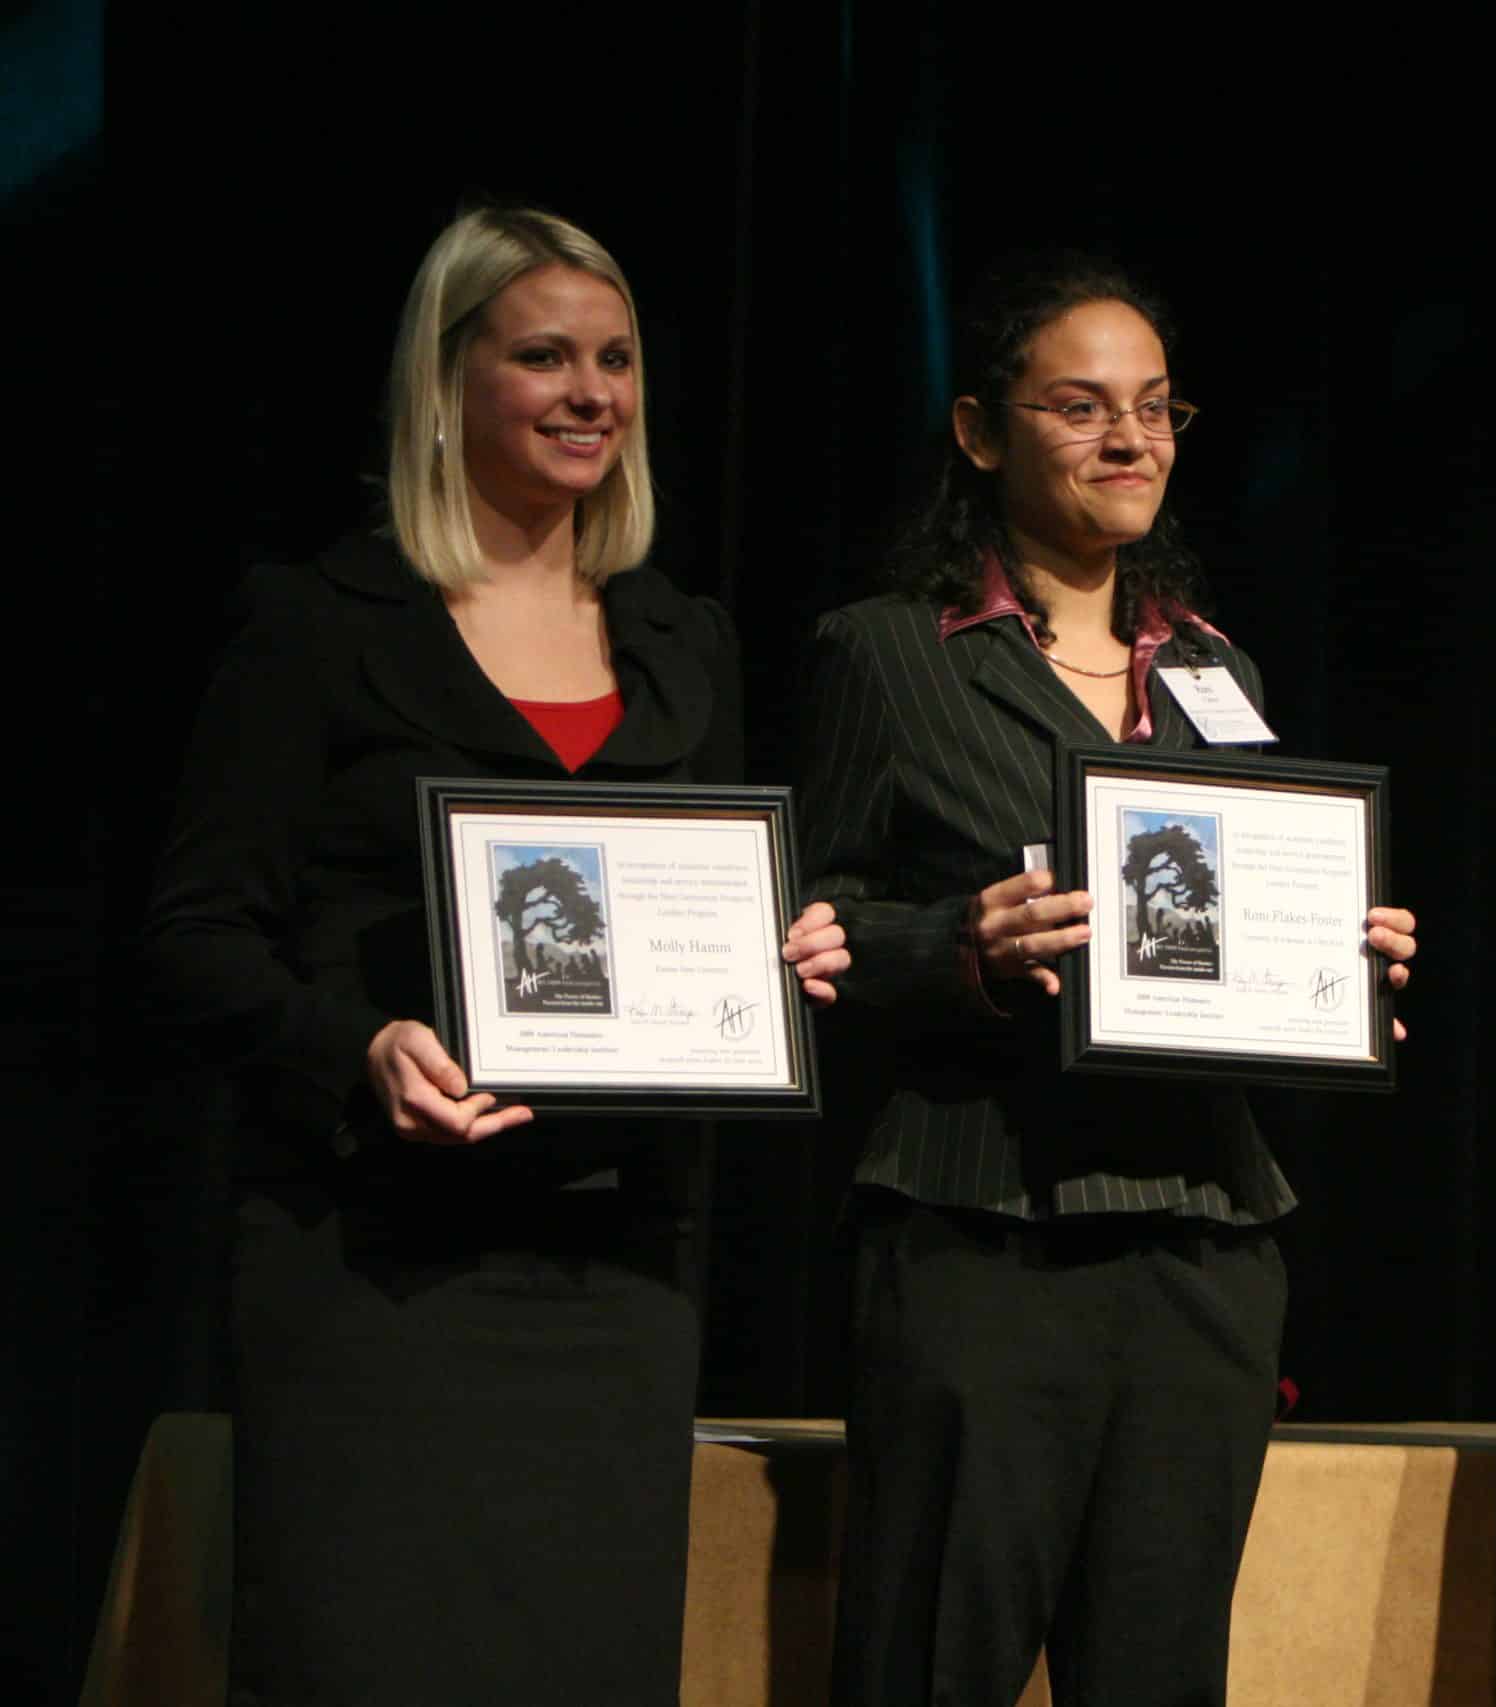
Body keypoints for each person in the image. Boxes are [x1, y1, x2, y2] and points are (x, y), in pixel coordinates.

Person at [142, 205, 819, 1706]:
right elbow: (198, 936)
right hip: (376, 1281)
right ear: (445, 385)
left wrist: (788, 950)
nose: (592, 394)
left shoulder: (680, 640)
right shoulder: (321, 623)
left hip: (619, 1273)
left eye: (618, 360)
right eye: (544, 357)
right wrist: (355, 1046)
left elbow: (709, 914)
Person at [779, 252, 1418, 1707]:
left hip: (1202, 1237)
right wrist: (958, 947)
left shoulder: (1216, 669)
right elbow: (808, 914)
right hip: (985, 1228)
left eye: (1155, 408)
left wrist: (1344, 961)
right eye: (1081, 406)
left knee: (1160, 1672)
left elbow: (1246, 903)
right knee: (934, 1660)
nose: (1131, 440)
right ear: (980, 430)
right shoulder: (889, 654)